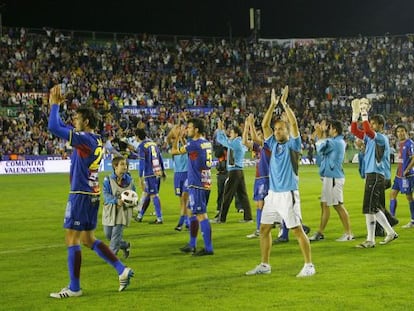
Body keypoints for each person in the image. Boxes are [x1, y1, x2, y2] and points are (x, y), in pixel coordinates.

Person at [48, 85, 134, 298]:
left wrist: (55, 104)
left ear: (86, 122)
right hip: (92, 194)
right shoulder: (95, 139)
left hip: (81, 194)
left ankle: (75, 288)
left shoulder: (85, 139)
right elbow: (59, 125)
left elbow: (53, 127)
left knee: (72, 239)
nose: (74, 120)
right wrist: (58, 106)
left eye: (77, 118)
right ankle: (122, 270)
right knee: (87, 239)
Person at [246, 86, 315, 277]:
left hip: (288, 193)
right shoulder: (273, 143)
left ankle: (309, 265)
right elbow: (265, 125)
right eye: (276, 129)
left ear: (287, 131)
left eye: (280, 129)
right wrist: (271, 104)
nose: (277, 131)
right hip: (273, 194)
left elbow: (294, 123)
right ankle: (264, 265)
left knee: (296, 229)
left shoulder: (294, 144)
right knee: (264, 229)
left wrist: (284, 105)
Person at [350, 98, 398, 248]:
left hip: (376, 175)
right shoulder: (371, 137)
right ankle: (380, 236)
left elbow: (368, 132)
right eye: (371, 123)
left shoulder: (381, 138)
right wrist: (355, 114)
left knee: (370, 207)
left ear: (381, 126)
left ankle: (376, 237)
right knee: (372, 208)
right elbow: (354, 131)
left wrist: (364, 113)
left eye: (374, 123)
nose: (371, 126)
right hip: (372, 174)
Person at [171, 118, 214, 256]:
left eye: (189, 127)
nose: (187, 129)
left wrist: (178, 136)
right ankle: (192, 244)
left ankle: (208, 248)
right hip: (205, 182)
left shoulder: (194, 144)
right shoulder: (206, 142)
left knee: (201, 215)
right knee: (191, 211)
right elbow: (191, 152)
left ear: (196, 129)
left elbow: (174, 151)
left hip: (197, 184)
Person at [308, 120, 354, 242]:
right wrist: (321, 135)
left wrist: (319, 135)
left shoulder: (336, 142)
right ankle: (320, 232)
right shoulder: (336, 141)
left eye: (330, 128)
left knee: (338, 205)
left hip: (334, 177)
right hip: (330, 177)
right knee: (324, 204)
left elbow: (321, 148)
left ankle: (348, 233)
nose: (328, 130)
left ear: (335, 130)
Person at [215, 122, 253, 223]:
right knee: (242, 195)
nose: (230, 134)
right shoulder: (241, 142)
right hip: (239, 171)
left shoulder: (236, 143)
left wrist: (220, 130)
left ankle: (221, 218)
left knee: (227, 195)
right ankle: (248, 217)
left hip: (233, 171)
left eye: (231, 132)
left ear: (236, 134)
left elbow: (222, 140)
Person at [242, 113, 271, 238]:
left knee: (261, 204)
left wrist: (252, 124)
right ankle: (266, 226)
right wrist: (247, 126)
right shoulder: (258, 148)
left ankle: (260, 229)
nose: (257, 137)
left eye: (260, 135)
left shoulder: (267, 146)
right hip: (258, 178)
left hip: (265, 178)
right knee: (260, 204)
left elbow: (253, 138)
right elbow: (244, 142)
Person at [102, 156, 136, 259]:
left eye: (125, 164)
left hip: (123, 211)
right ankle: (125, 245)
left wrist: (131, 202)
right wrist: (116, 201)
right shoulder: (108, 180)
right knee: (109, 235)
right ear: (115, 166)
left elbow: (134, 194)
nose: (125, 166)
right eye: (122, 164)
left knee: (116, 234)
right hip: (110, 210)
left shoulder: (130, 180)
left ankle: (111, 256)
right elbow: (105, 194)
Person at [134, 128, 166, 224]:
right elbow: (160, 157)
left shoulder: (142, 146)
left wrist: (140, 177)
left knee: (153, 195)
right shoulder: (153, 143)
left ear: (137, 136)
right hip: (158, 172)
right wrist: (163, 170)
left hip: (150, 174)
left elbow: (142, 162)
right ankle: (140, 216)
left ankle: (159, 218)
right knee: (149, 194)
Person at [389, 124, 414, 228]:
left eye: (402, 131)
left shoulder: (409, 143)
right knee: (392, 195)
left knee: (409, 197)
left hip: (407, 176)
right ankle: (392, 219)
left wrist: (407, 170)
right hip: (398, 176)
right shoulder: (400, 143)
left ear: (406, 132)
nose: (400, 133)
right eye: (398, 131)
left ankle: (413, 221)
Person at [167, 123, 190, 231]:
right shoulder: (172, 144)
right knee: (182, 200)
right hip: (178, 175)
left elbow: (188, 148)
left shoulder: (187, 143)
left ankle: (182, 223)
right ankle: (186, 222)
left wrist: (181, 137)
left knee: (186, 198)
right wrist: (177, 137)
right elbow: (174, 149)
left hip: (186, 174)